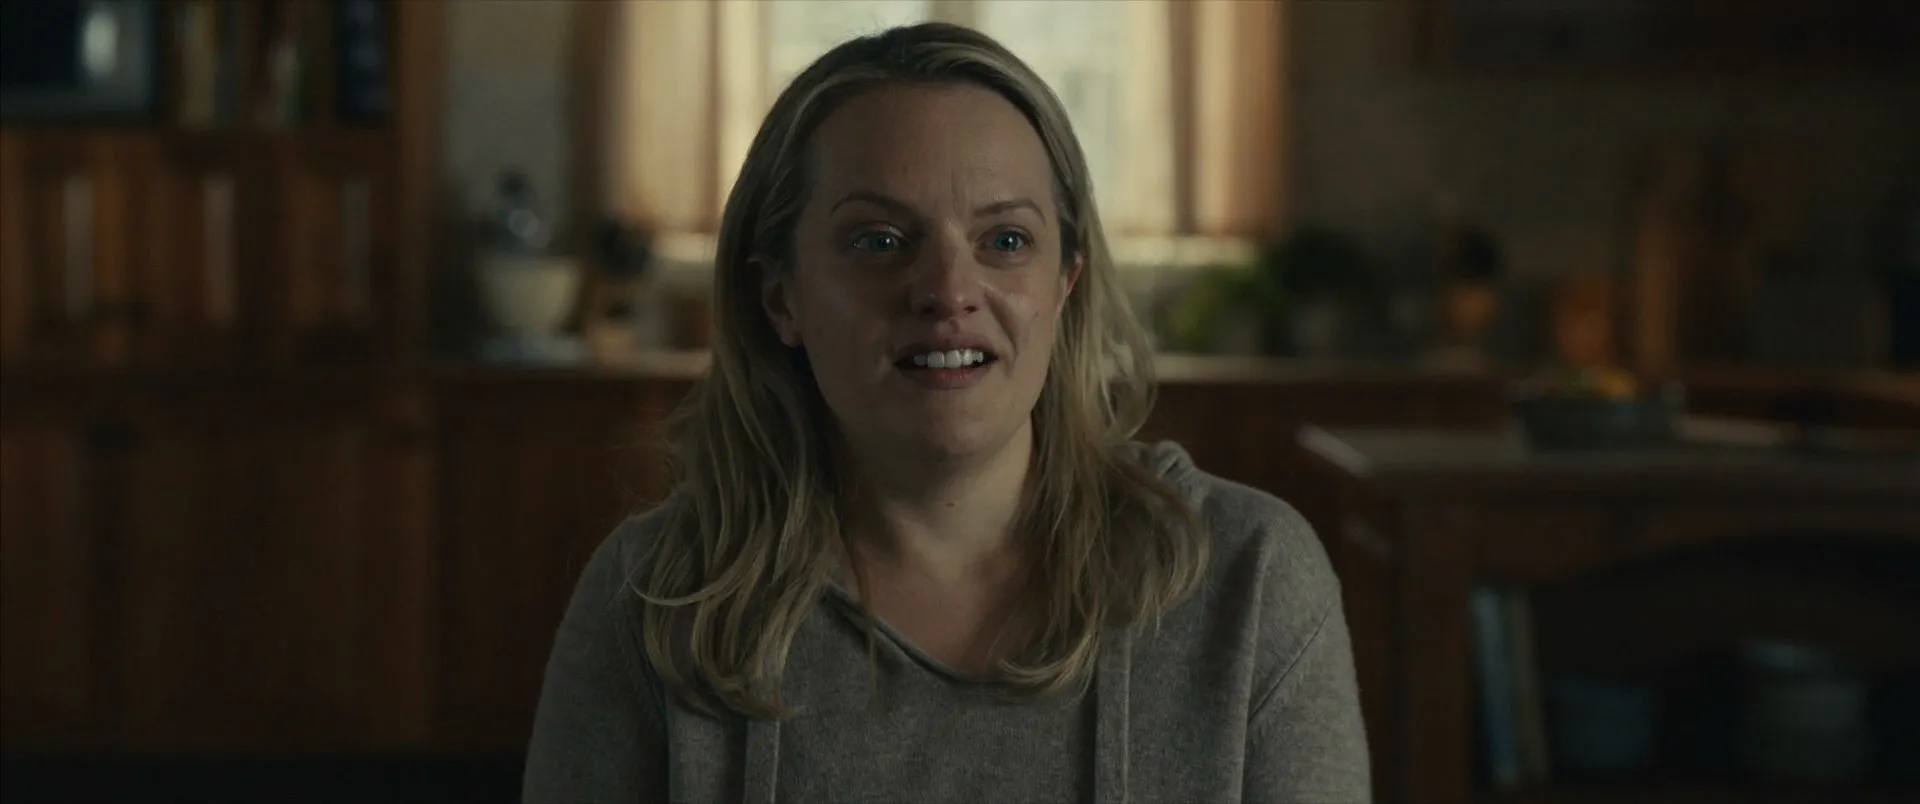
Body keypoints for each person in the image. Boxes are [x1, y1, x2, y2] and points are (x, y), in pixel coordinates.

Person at [524, 22, 1370, 804]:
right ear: (781, 296)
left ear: (1064, 285)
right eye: (879, 241)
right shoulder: (654, 603)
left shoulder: (1252, 585)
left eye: (1005, 241)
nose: (948, 291)